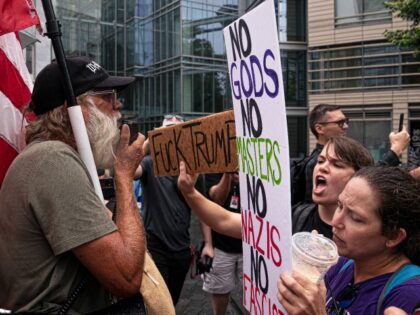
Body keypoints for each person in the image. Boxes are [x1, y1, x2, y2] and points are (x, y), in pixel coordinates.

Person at [0, 57, 146, 313]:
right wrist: (123, 176)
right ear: (74, 110)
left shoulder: (46, 156)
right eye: (109, 96)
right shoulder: (53, 159)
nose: (118, 105)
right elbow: (127, 278)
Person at [277, 166, 420, 314]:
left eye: (355, 218)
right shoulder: (342, 265)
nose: (335, 221)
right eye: (339, 206)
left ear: (393, 236)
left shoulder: (409, 295)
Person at [134, 114, 208, 305]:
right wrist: (150, 141)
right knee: (159, 302)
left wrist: (208, 244)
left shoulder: (193, 168)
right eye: (167, 130)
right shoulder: (150, 164)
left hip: (182, 248)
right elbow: (131, 170)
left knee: (172, 301)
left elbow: (203, 210)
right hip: (155, 245)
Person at [298, 104, 409, 204]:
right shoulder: (312, 165)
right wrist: (395, 150)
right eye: (340, 123)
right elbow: (368, 180)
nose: (346, 126)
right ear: (319, 128)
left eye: (337, 164)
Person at [293, 136, 374, 239]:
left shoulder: (364, 236)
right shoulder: (295, 216)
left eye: (337, 165)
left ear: (357, 178)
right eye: (320, 161)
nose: (322, 167)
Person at [201, 172, 243, 315]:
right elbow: (213, 201)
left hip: (250, 248)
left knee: (253, 296)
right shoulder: (216, 169)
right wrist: (228, 175)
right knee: (220, 292)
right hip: (221, 246)